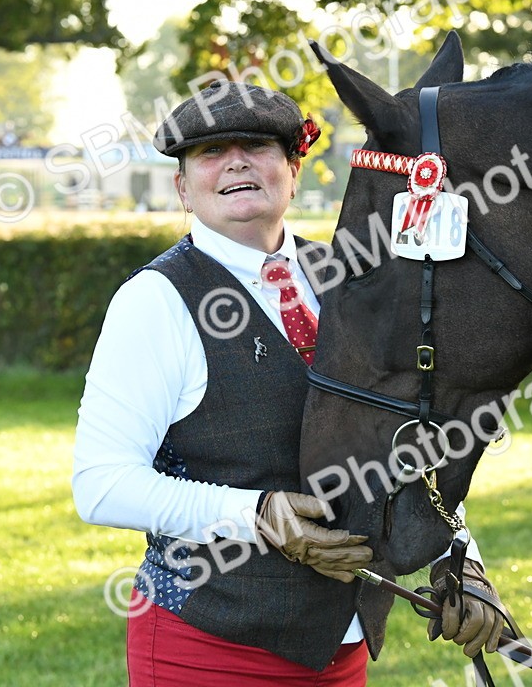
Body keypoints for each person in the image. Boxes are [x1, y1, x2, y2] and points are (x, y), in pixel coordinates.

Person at [72, 81, 506, 686]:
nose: (235, 162)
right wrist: (257, 513)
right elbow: (101, 484)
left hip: (342, 648)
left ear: (293, 169)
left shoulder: (351, 278)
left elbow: (407, 445)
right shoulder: (153, 301)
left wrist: (463, 562)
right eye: (209, 153)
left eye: (256, 145)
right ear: (182, 188)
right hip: (207, 647)